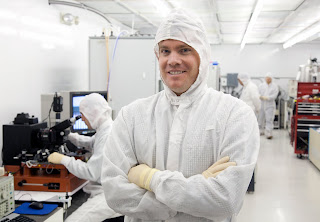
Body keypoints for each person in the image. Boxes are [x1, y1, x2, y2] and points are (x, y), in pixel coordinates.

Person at [101, 9, 260, 222]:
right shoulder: (132, 116)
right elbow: (115, 194)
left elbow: (225, 201)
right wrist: (193, 193)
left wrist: (150, 178)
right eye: (165, 51)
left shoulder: (235, 115)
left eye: (184, 50)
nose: (173, 60)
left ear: (202, 55)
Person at [48, 93, 123, 222]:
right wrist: (70, 136)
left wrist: (63, 159)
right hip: (107, 190)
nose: (82, 119)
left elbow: (91, 172)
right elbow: (91, 143)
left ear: (93, 113)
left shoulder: (107, 135)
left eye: (83, 114)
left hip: (107, 196)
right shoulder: (106, 128)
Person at [258, 72, 279, 139]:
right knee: (260, 118)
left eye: (269, 78)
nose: (268, 79)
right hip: (261, 104)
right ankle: (260, 131)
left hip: (270, 105)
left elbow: (275, 95)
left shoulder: (274, 86)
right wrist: (260, 96)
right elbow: (257, 93)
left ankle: (269, 132)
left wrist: (268, 98)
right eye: (267, 78)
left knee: (269, 119)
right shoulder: (261, 85)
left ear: (271, 79)